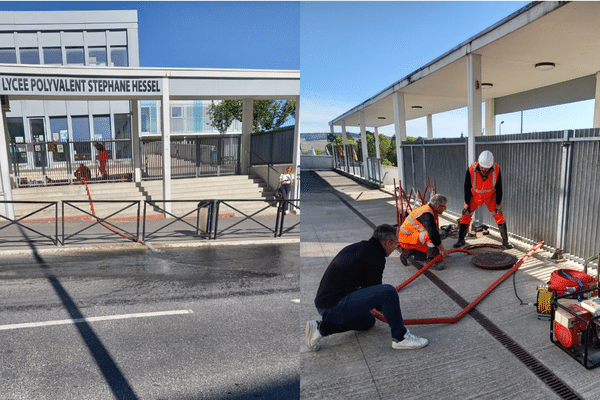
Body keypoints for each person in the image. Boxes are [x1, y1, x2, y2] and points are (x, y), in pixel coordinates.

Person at [305, 224, 429, 352]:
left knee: (368, 321)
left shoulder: (362, 247)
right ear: (387, 242)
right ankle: (400, 338)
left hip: (326, 304)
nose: (395, 248)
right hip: (333, 305)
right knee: (389, 292)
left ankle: (321, 328)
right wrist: (387, 307)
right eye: (395, 244)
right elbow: (377, 291)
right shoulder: (375, 256)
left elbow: (368, 287)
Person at [453, 150, 513, 249]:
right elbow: (466, 186)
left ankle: (505, 242)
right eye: (482, 167)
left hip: (491, 196)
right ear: (479, 163)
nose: (484, 169)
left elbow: (499, 187)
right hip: (474, 196)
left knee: (499, 216)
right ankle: (460, 240)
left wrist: (498, 203)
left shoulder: (496, 168)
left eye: (487, 168)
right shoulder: (471, 169)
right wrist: (467, 202)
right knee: (465, 215)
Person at [398, 194, 450, 270]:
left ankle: (409, 251)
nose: (445, 209)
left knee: (439, 258)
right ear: (438, 206)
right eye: (444, 206)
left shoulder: (429, 211)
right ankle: (431, 262)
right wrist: (444, 251)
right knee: (430, 237)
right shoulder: (427, 214)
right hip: (406, 238)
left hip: (412, 236)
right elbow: (433, 236)